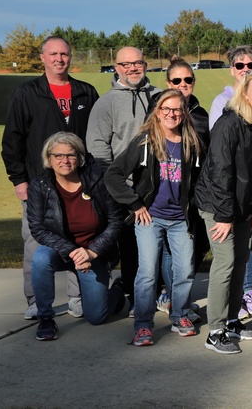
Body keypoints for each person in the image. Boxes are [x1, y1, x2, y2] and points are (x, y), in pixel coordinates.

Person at [2, 36, 98, 320]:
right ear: (42, 57)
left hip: (78, 184)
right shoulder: (27, 93)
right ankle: (35, 300)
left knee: (77, 237)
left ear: (71, 57)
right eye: (53, 54)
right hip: (38, 185)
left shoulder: (85, 92)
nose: (59, 59)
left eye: (65, 54)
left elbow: (94, 141)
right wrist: (19, 180)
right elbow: (12, 142)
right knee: (35, 243)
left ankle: (76, 296)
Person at [105, 89, 204, 346]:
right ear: (158, 112)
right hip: (151, 218)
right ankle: (143, 326)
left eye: (177, 109)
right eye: (166, 109)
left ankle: (180, 315)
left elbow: (201, 181)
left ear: (184, 113)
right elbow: (113, 175)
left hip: (181, 219)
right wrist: (136, 204)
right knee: (147, 273)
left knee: (184, 270)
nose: (172, 114)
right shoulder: (145, 142)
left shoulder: (192, 143)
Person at [194, 70, 252, 354]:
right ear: (244, 94)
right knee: (226, 261)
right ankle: (215, 330)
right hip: (217, 206)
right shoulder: (230, 123)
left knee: (241, 261)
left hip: (245, 207)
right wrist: (224, 216)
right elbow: (220, 172)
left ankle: (232, 320)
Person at [28, 132, 126, 340]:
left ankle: (118, 289)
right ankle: (45, 318)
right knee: (40, 259)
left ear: (80, 157)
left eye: (71, 155)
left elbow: (116, 221)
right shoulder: (40, 185)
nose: (65, 161)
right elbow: (37, 227)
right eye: (58, 156)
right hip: (62, 249)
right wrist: (73, 251)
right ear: (49, 158)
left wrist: (91, 252)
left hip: (92, 251)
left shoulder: (99, 180)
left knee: (97, 317)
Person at [86, 46, 160, 313]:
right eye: (126, 64)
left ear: (146, 64)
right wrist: (114, 184)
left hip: (159, 186)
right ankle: (131, 295)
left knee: (158, 245)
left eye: (137, 63)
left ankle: (159, 294)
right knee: (130, 247)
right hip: (124, 188)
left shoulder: (158, 97)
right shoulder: (106, 103)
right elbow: (97, 147)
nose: (132, 68)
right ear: (116, 68)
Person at [148, 57, 210, 317]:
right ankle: (171, 298)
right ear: (167, 83)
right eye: (177, 80)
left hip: (194, 196)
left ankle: (177, 296)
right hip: (165, 197)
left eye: (188, 80)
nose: (183, 84)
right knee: (171, 252)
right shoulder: (158, 111)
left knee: (193, 249)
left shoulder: (201, 114)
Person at [209, 45, 252, 129]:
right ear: (232, 70)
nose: (246, 69)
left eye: (251, 65)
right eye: (240, 66)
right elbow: (216, 135)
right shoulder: (221, 101)